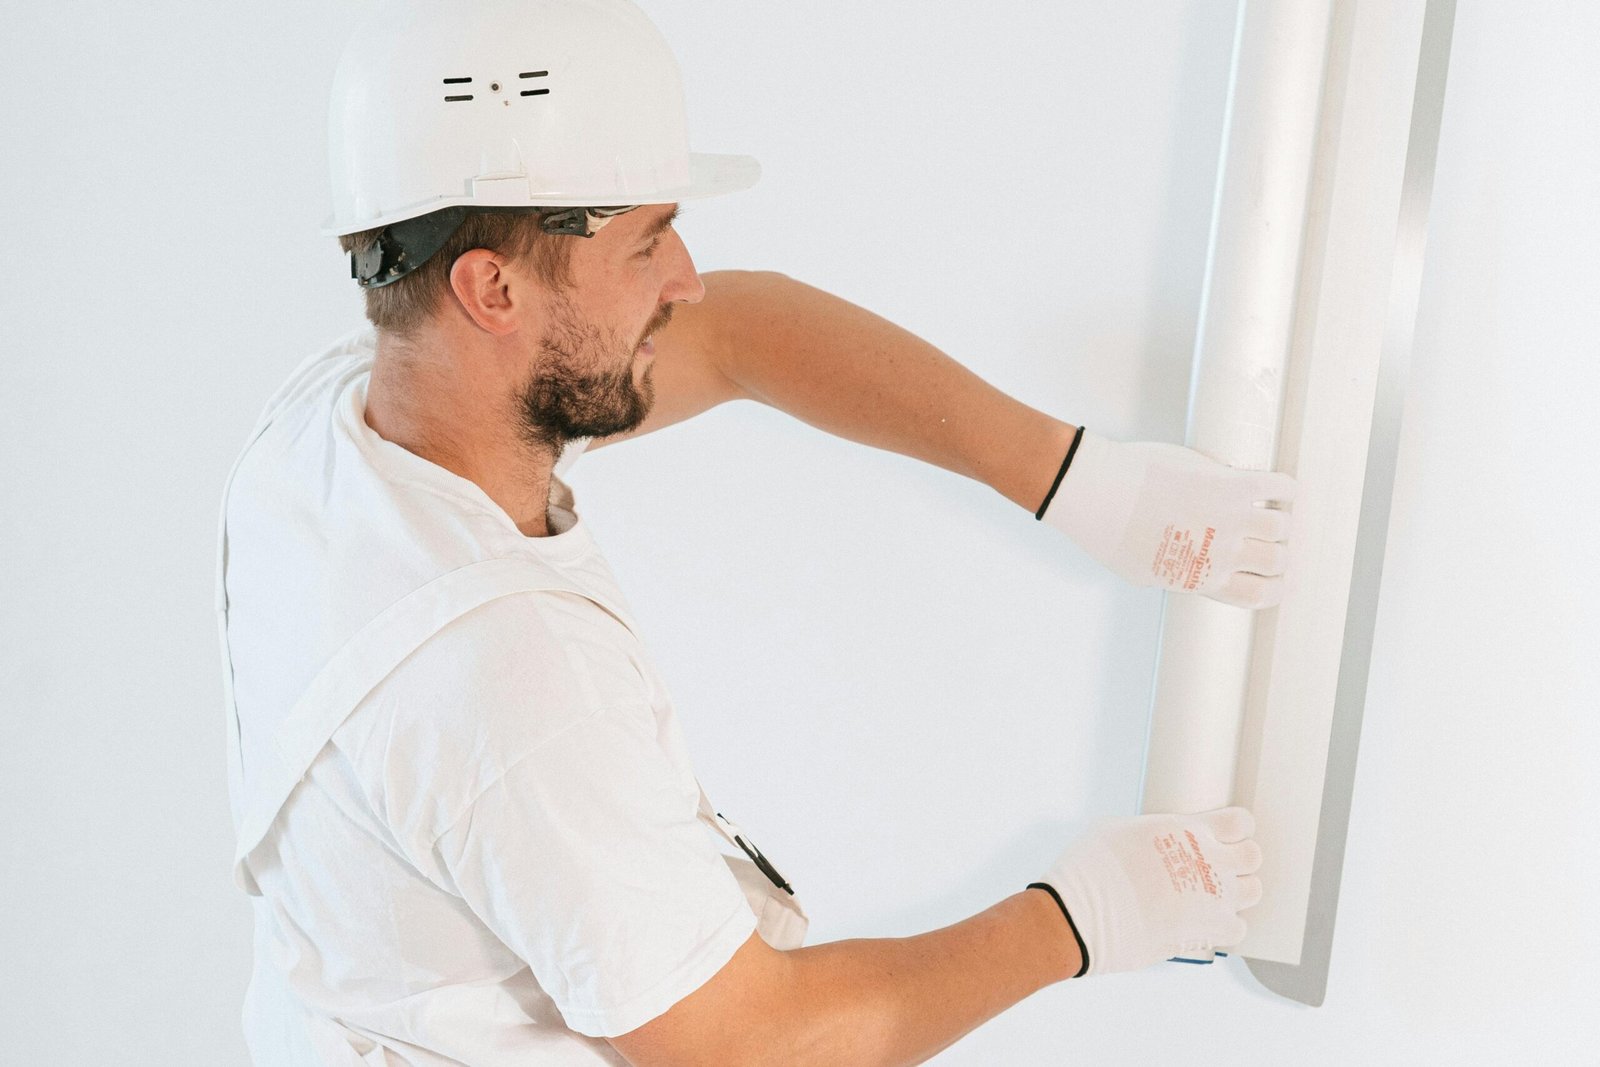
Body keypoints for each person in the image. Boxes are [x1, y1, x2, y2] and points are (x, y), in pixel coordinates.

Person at [216, 1, 1293, 1063]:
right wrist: (1085, 915)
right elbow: (755, 1045)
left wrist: (1085, 485)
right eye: (645, 245)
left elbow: (734, 331)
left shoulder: (339, 431)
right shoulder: (507, 686)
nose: (683, 275)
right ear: (490, 286)